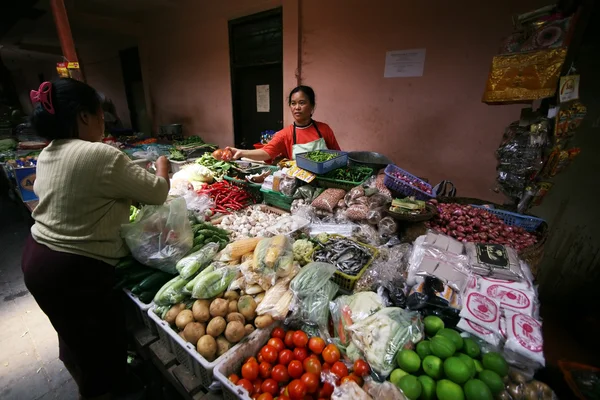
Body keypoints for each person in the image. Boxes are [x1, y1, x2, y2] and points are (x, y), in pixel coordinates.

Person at [21, 78, 170, 400]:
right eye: (100, 115)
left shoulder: (49, 152)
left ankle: (95, 383)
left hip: (37, 259)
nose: (104, 122)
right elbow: (157, 194)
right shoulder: (99, 154)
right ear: (84, 116)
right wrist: (162, 168)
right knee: (102, 347)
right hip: (74, 269)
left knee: (76, 339)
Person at [229, 85, 341, 161]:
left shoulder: (324, 129)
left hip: (326, 184)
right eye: (293, 103)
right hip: (298, 186)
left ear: (312, 106)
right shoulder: (285, 134)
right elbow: (266, 152)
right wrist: (241, 152)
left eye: (302, 103)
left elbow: (338, 155)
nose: (297, 107)